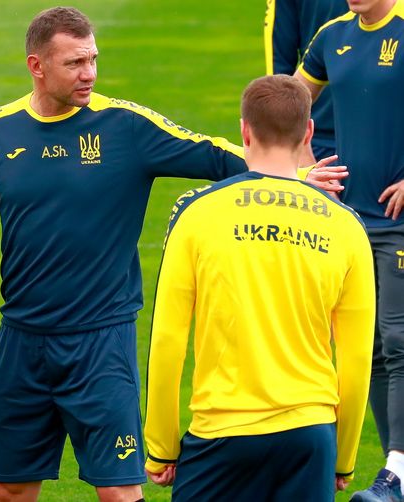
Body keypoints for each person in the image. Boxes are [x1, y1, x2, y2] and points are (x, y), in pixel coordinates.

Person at [0, 7, 344, 502]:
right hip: (22, 342)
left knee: (120, 493)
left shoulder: (124, 126)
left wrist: (295, 177)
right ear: (36, 66)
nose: (89, 73)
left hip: (101, 344)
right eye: (74, 63)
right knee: (8, 490)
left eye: (93, 59)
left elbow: (212, 153)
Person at [143, 74, 375, 501]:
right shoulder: (348, 226)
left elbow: (167, 340)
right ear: (308, 132)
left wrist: (160, 447)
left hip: (221, 431)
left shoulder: (196, 212)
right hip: (309, 435)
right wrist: (342, 456)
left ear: (245, 131)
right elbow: (357, 357)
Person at [295, 1, 404, 499]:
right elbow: (286, 105)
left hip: (398, 221)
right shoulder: (331, 36)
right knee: (372, 348)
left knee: (398, 339)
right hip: (350, 222)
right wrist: (306, 168)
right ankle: (396, 469)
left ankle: (396, 475)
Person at [264, 0, 348, 160]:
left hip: (385, 135)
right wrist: (293, 142)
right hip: (315, 139)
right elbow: (279, 72)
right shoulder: (327, 36)